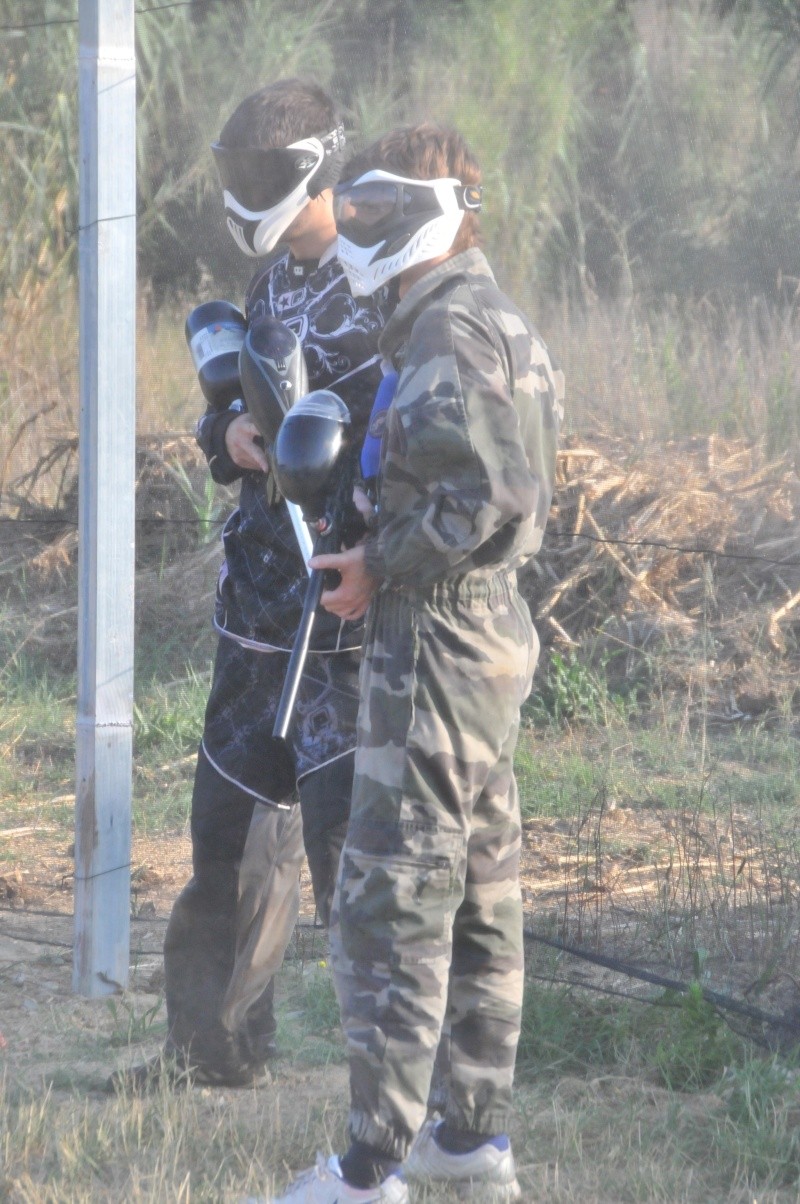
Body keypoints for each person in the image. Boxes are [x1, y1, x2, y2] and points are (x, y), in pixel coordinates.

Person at [264, 124, 564, 1204]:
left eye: (378, 210)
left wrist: (376, 566)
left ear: (430, 211)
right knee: (480, 889)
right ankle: (467, 1139)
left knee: (391, 899)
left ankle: (365, 1166)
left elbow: (485, 497)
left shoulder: (446, 330)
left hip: (434, 641)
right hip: (480, 637)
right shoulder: (487, 315)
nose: (358, 230)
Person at [119, 79, 388, 1090]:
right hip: (257, 607)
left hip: (344, 614)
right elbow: (247, 406)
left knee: (347, 855)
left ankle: (387, 1084)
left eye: (267, 176)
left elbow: (414, 423)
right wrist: (226, 436)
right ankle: (208, 1053)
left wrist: (374, 535)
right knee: (226, 837)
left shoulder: (380, 276)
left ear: (320, 168)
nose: (251, 197)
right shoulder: (275, 276)